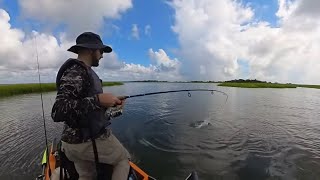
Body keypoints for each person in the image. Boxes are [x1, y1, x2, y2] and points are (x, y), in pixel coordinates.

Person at [51, 32, 130, 180]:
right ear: (90, 50)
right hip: (86, 142)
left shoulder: (83, 72)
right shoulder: (76, 71)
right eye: (100, 51)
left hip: (73, 144)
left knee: (87, 175)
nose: (102, 55)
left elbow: (84, 106)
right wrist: (98, 100)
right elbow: (58, 111)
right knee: (123, 160)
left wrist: (109, 102)